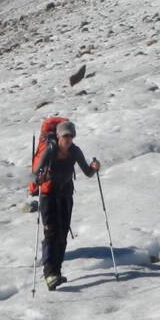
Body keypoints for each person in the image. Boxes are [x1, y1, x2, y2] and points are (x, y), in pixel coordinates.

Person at [32, 120, 101, 290]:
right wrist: (39, 178)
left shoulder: (75, 151)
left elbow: (88, 172)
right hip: (48, 195)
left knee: (62, 233)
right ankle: (49, 274)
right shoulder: (50, 150)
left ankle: (56, 272)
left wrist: (94, 167)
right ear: (58, 136)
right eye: (65, 136)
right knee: (51, 233)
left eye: (71, 136)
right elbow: (35, 174)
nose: (69, 139)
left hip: (65, 194)